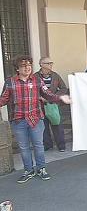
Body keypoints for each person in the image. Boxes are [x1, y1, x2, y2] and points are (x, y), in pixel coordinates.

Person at [0, 55, 71, 183]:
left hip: (36, 119)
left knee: (38, 145)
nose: (27, 68)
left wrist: (60, 98)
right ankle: (28, 170)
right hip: (18, 120)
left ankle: (41, 168)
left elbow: (47, 94)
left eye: (29, 65)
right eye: (23, 65)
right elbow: (3, 99)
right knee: (24, 147)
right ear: (17, 68)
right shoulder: (10, 82)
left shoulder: (37, 80)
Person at [34, 57, 67, 152]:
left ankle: (61, 145)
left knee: (57, 124)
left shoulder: (55, 75)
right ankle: (47, 145)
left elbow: (63, 88)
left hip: (54, 104)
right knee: (43, 126)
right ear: (41, 64)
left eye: (51, 63)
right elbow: (32, 90)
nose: (51, 65)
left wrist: (55, 96)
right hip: (40, 105)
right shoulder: (35, 76)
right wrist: (40, 97)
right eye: (48, 63)